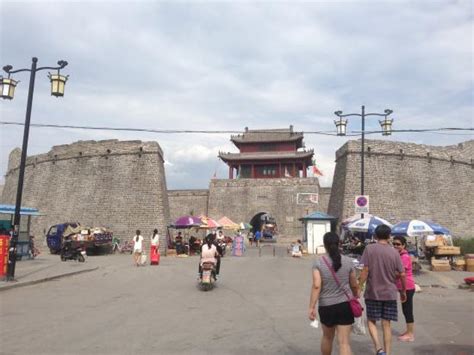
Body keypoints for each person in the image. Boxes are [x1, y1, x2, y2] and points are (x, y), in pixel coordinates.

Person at [358, 224, 407, 355]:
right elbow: (402, 274)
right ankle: (388, 352)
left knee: (371, 321)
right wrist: (403, 291)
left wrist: (358, 287)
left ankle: (379, 349)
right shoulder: (394, 252)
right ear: (389, 236)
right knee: (387, 324)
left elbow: (365, 270)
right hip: (390, 293)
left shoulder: (369, 249)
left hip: (373, 292)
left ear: (375, 235)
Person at [309, 232, 359, 355]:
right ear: (339, 244)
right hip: (345, 305)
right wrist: (356, 294)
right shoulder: (348, 261)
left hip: (326, 306)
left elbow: (316, 285)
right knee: (344, 343)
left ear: (325, 245)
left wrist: (311, 307)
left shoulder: (319, 262)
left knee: (327, 338)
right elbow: (354, 283)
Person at [393, 236, 416, 342]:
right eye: (394, 244)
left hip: (407, 286)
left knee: (407, 310)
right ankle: (408, 331)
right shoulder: (399, 255)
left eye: (398, 244)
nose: (396, 246)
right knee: (405, 310)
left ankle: (410, 334)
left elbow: (399, 273)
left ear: (403, 245)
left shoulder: (405, 256)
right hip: (403, 286)